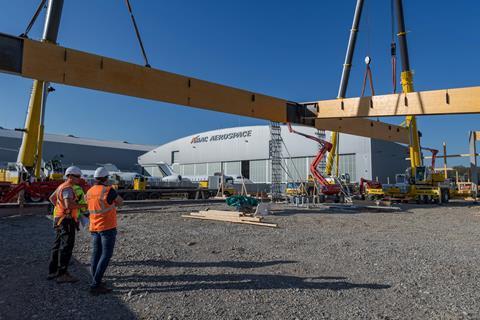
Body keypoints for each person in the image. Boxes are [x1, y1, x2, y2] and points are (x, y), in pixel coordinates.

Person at [86, 166, 123, 294]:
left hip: (94, 227)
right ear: (106, 178)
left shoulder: (90, 191)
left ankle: (96, 279)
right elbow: (120, 202)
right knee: (106, 255)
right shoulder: (108, 190)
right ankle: (95, 285)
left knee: (96, 254)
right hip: (107, 227)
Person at [47, 166, 87, 283]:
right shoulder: (68, 188)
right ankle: (62, 274)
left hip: (59, 219)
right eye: (77, 176)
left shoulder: (61, 186)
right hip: (66, 220)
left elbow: (52, 198)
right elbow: (69, 204)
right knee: (66, 246)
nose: (79, 179)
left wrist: (59, 208)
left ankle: (52, 271)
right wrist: (83, 206)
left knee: (57, 245)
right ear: (69, 176)